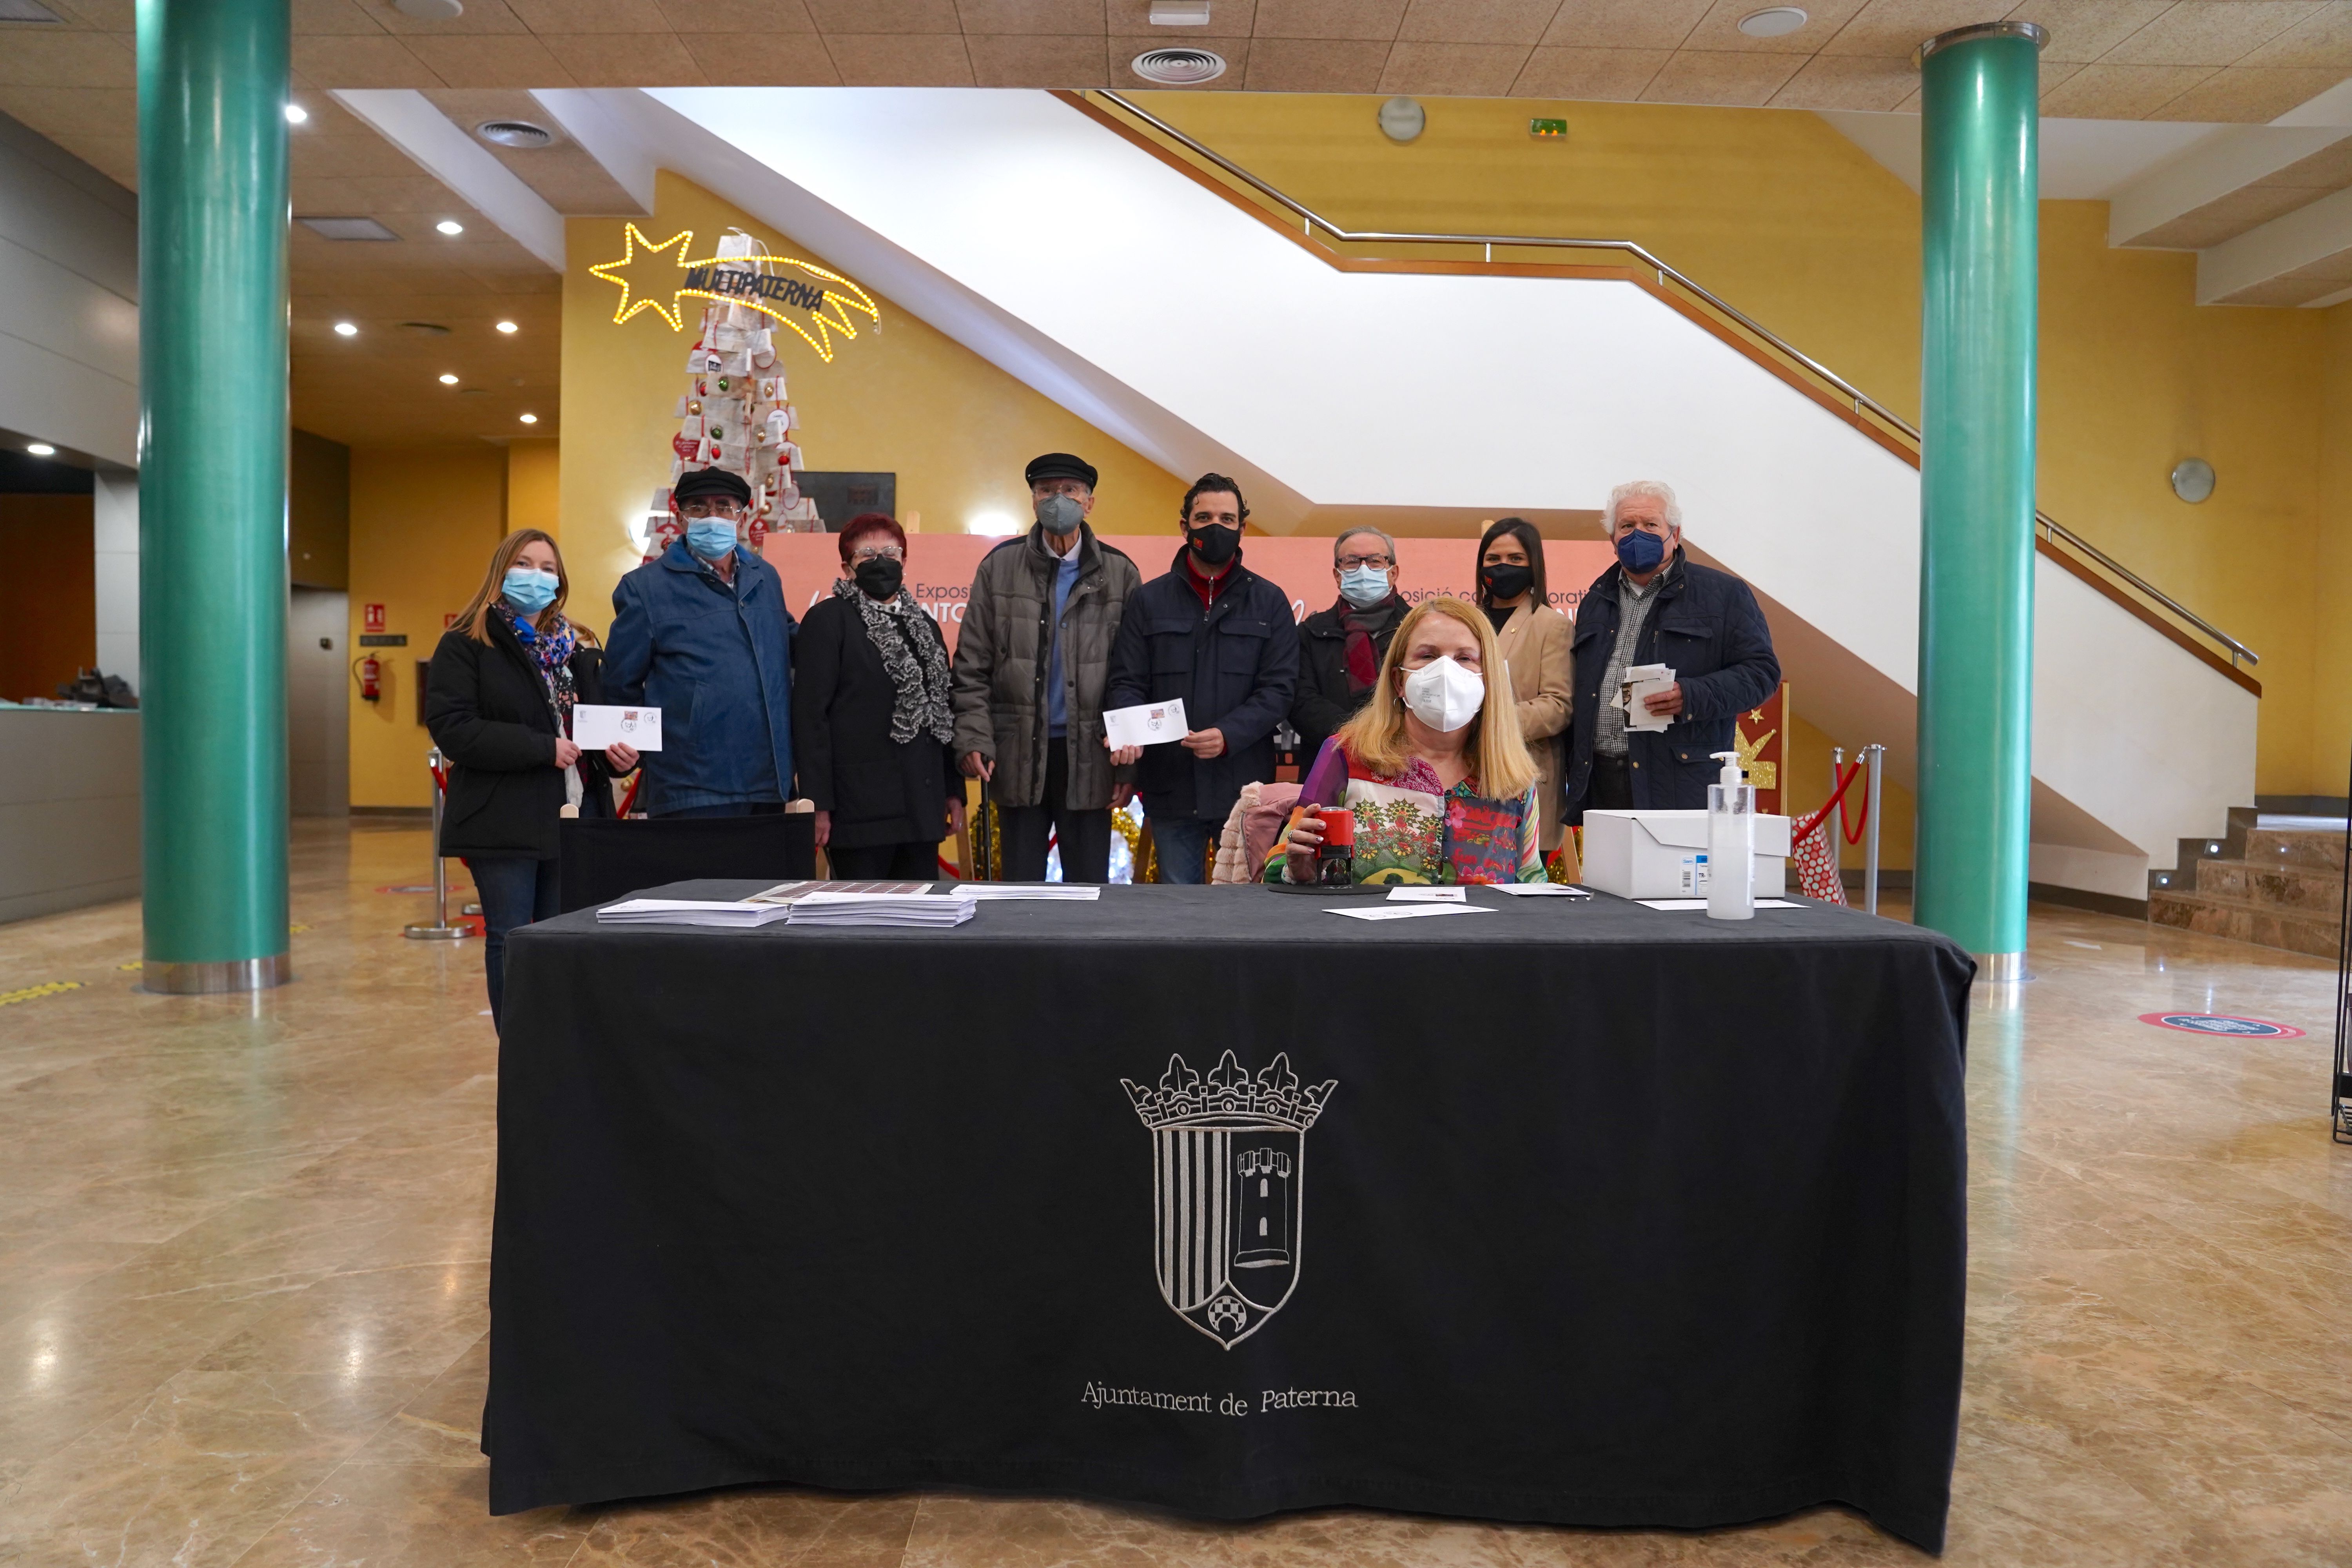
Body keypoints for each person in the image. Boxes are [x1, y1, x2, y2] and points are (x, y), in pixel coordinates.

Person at [426, 528, 637, 1027]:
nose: (536, 576)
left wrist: (619, 758)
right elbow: (454, 728)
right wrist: (541, 748)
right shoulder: (466, 642)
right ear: (502, 571)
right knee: (511, 934)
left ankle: (559, 1038)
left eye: (547, 568)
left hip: (574, 814)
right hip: (502, 814)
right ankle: (520, 1041)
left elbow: (593, 726)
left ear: (560, 580)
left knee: (566, 932)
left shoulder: (578, 646)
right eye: (524, 564)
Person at [950, 452, 1141, 882]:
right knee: (1019, 892)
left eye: (1070, 491)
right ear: (1033, 501)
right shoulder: (999, 567)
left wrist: (1128, 764)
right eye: (1047, 491)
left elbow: (1132, 674)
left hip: (1092, 755)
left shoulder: (1120, 573)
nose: (1059, 499)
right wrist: (974, 737)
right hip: (1015, 752)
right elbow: (971, 667)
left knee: (1090, 890)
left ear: (1089, 502)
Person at [1106, 473, 1300, 884]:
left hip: (1245, 788)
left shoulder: (1270, 601)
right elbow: (1127, 680)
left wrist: (1228, 734)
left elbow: (1279, 690)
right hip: (1171, 785)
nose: (1216, 527)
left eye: (1228, 519)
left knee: (1247, 907)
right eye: (1205, 516)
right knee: (1182, 909)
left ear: (1242, 529)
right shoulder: (1149, 600)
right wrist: (1126, 725)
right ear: (1185, 526)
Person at [1270, 596, 1542, 886]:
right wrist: (1297, 870)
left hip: (1483, 931)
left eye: (1465, 658)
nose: (1446, 672)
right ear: (1399, 681)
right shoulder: (1347, 755)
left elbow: (1532, 882)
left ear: (1488, 681)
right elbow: (1280, 864)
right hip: (1373, 930)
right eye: (1427, 656)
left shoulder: (1513, 776)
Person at [1561, 480, 1780, 821]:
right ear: (1613, 540)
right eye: (1627, 526)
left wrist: (1691, 696)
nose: (1638, 534)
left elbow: (1762, 674)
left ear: (1675, 535)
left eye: (1651, 525)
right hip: (1602, 781)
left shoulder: (1724, 594)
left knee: (1674, 876)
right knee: (1606, 877)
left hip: (1678, 783)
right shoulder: (1595, 600)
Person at [605, 466, 796, 818]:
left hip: (769, 781)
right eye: (698, 508)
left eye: (724, 507)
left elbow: (787, 641)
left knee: (768, 876)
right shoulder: (644, 588)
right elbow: (620, 684)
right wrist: (630, 752)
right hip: (691, 787)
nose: (713, 517)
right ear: (681, 518)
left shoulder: (765, 577)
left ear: (741, 517)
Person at [792, 514, 965, 879]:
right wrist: (818, 804)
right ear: (847, 566)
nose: (881, 560)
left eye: (890, 551)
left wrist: (953, 792)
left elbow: (943, 715)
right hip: (859, 810)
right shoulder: (827, 621)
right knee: (864, 924)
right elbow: (811, 719)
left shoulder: (926, 625)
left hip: (922, 803)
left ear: (904, 560)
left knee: (921, 920)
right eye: (867, 553)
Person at [1475, 517, 1574, 856]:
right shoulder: (1462, 621)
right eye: (1493, 560)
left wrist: (1489, 721)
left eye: (1516, 560)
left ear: (1534, 564)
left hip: (1522, 777)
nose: (1503, 568)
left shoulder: (1552, 625)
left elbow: (1558, 707)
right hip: (1461, 778)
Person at [1291, 526, 1406, 766]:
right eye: (1352, 562)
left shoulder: (1418, 629)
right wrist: (1358, 735)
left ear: (1393, 573)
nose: (1364, 569)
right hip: (1330, 761)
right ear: (1337, 575)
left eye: (1375, 561)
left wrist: (1388, 735)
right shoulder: (1310, 632)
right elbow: (1301, 700)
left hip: (1405, 758)